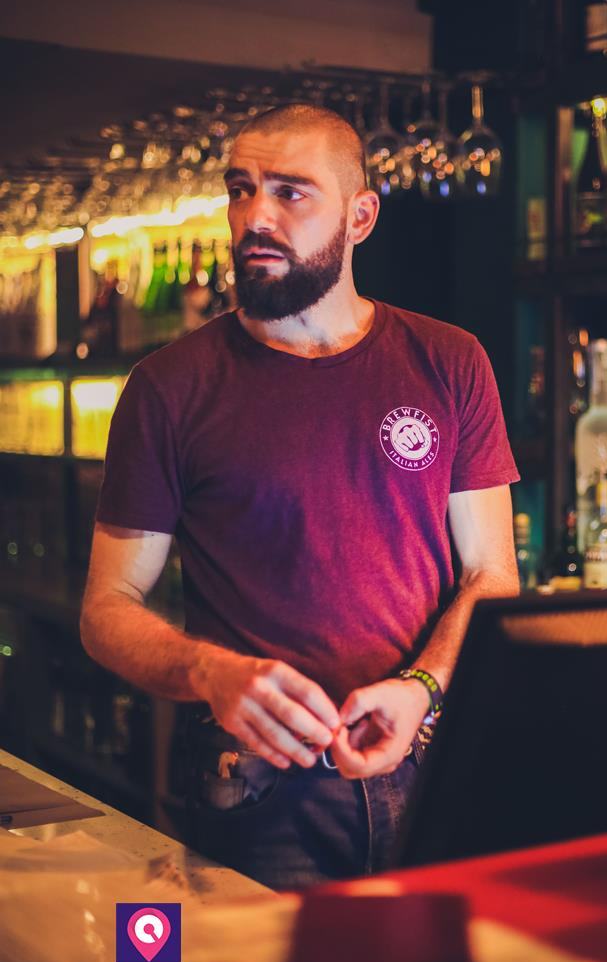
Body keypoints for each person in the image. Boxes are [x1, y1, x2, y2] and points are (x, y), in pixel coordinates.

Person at [80, 104, 520, 890]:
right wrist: (210, 673)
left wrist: (419, 690)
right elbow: (105, 609)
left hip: (426, 763)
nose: (255, 216)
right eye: (240, 189)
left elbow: (490, 575)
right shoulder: (169, 387)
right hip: (253, 785)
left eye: (290, 192)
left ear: (360, 217)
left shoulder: (449, 361)